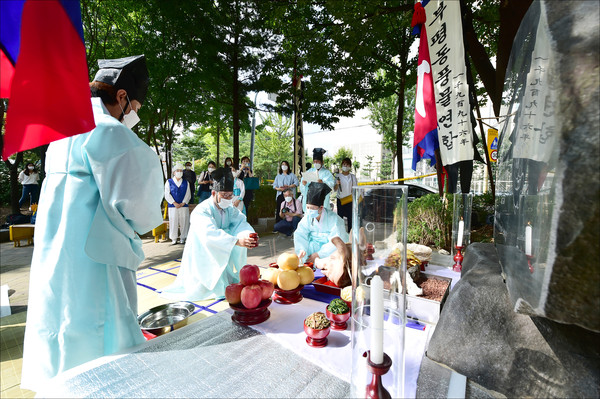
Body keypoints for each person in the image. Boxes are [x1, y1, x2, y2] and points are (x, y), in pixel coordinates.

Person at [21, 55, 164, 391]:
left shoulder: (63, 131)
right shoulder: (110, 132)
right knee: (101, 330)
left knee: (61, 317)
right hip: (96, 252)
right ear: (122, 97)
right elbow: (139, 209)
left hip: (57, 246)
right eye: (136, 106)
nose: (135, 115)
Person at [160, 167, 258, 301]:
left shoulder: (229, 208)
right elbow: (209, 234)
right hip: (202, 251)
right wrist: (236, 241)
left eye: (230, 196)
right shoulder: (202, 210)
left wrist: (248, 235)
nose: (228, 199)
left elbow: (241, 223)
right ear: (213, 193)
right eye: (224, 195)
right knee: (204, 286)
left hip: (220, 248)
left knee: (225, 281)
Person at [294, 182, 349, 264]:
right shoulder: (307, 218)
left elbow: (338, 239)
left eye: (312, 208)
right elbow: (300, 234)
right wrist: (302, 249)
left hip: (329, 251)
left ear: (321, 208)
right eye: (307, 207)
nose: (309, 210)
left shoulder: (334, 219)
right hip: (311, 249)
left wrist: (319, 254)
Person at [299, 148, 335, 212]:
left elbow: (331, 184)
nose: (316, 163)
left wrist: (323, 182)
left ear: (322, 162)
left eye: (318, 161)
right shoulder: (309, 171)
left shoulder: (327, 173)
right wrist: (304, 184)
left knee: (321, 216)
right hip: (311, 200)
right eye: (314, 162)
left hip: (321, 200)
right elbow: (302, 186)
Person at [165, 163, 191, 245]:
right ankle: (174, 238)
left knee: (184, 221)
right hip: (173, 206)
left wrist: (183, 203)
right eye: (177, 171)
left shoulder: (186, 182)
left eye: (181, 171)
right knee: (173, 221)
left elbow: (188, 194)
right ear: (174, 172)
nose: (179, 172)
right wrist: (174, 203)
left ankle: (183, 237)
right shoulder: (169, 182)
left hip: (183, 206)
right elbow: (167, 194)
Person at [334, 157, 357, 233]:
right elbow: (335, 189)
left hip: (350, 200)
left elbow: (355, 189)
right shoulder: (338, 176)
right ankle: (341, 235)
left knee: (350, 219)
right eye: (344, 164)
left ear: (350, 166)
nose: (345, 166)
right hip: (340, 200)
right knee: (340, 219)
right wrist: (337, 184)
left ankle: (350, 236)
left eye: (347, 164)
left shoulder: (353, 177)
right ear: (341, 165)